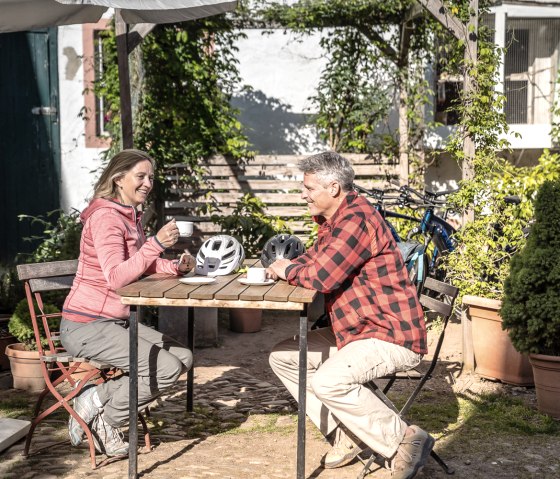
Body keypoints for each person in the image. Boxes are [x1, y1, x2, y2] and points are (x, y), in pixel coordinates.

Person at [266, 152, 433, 479]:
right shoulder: (336, 221)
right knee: (284, 356)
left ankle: (406, 441)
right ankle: (347, 436)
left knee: (330, 380)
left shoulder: (356, 220)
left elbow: (322, 276)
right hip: (357, 329)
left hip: (389, 334)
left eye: (309, 188)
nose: (304, 194)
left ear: (334, 187)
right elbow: (313, 261)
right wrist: (293, 268)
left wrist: (287, 268)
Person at [60, 149, 195, 457]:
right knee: (164, 369)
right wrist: (157, 243)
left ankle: (94, 398)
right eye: (141, 176)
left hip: (113, 321)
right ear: (119, 179)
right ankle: (104, 417)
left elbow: (140, 264)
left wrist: (175, 267)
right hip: (86, 325)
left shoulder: (129, 215)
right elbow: (118, 278)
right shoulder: (106, 218)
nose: (148, 183)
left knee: (182, 358)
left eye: (151, 177)